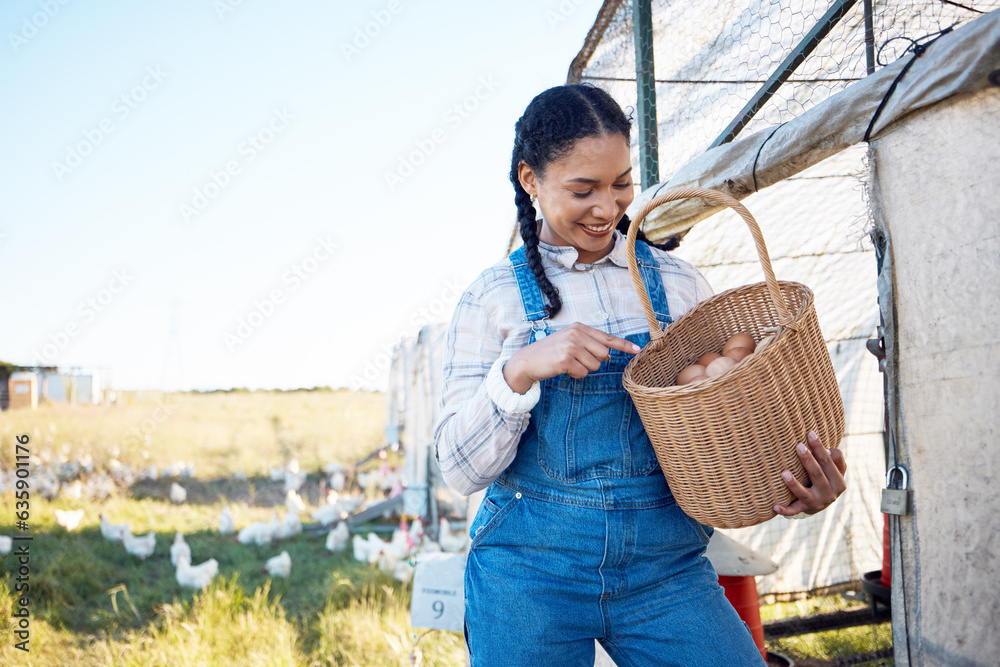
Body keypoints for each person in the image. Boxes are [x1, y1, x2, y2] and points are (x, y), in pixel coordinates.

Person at [433, 83, 847, 667]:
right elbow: (457, 468)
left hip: (664, 571)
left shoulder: (678, 284)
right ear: (530, 179)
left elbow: (722, 434)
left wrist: (795, 481)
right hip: (530, 573)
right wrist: (521, 368)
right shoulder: (492, 299)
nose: (607, 208)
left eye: (621, 183)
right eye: (584, 189)